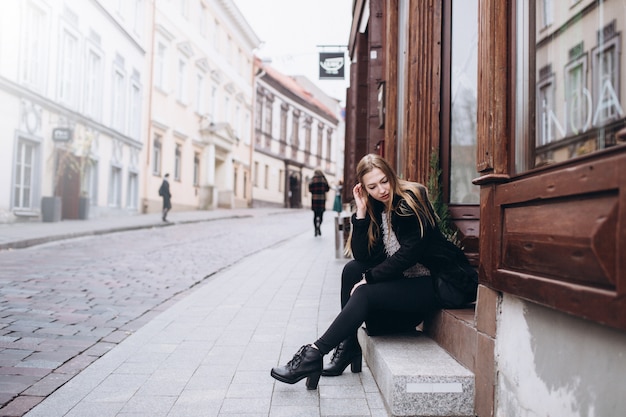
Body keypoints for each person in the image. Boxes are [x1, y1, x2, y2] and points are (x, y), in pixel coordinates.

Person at [270, 153, 477, 390]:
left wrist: (369, 279)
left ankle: (313, 354)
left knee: (364, 292)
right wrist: (360, 212)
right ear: (365, 189)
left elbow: (409, 254)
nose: (381, 190)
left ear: (391, 176)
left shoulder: (408, 202)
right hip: (406, 285)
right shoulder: (378, 207)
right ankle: (348, 346)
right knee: (351, 270)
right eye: (372, 186)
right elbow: (363, 257)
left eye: (384, 181)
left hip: (434, 283)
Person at [308, 169, 330, 236]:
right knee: (321, 215)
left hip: (314, 199)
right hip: (321, 200)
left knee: (315, 215)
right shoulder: (324, 180)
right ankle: (319, 227)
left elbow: (310, 190)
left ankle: (315, 229)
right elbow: (327, 189)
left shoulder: (312, 180)